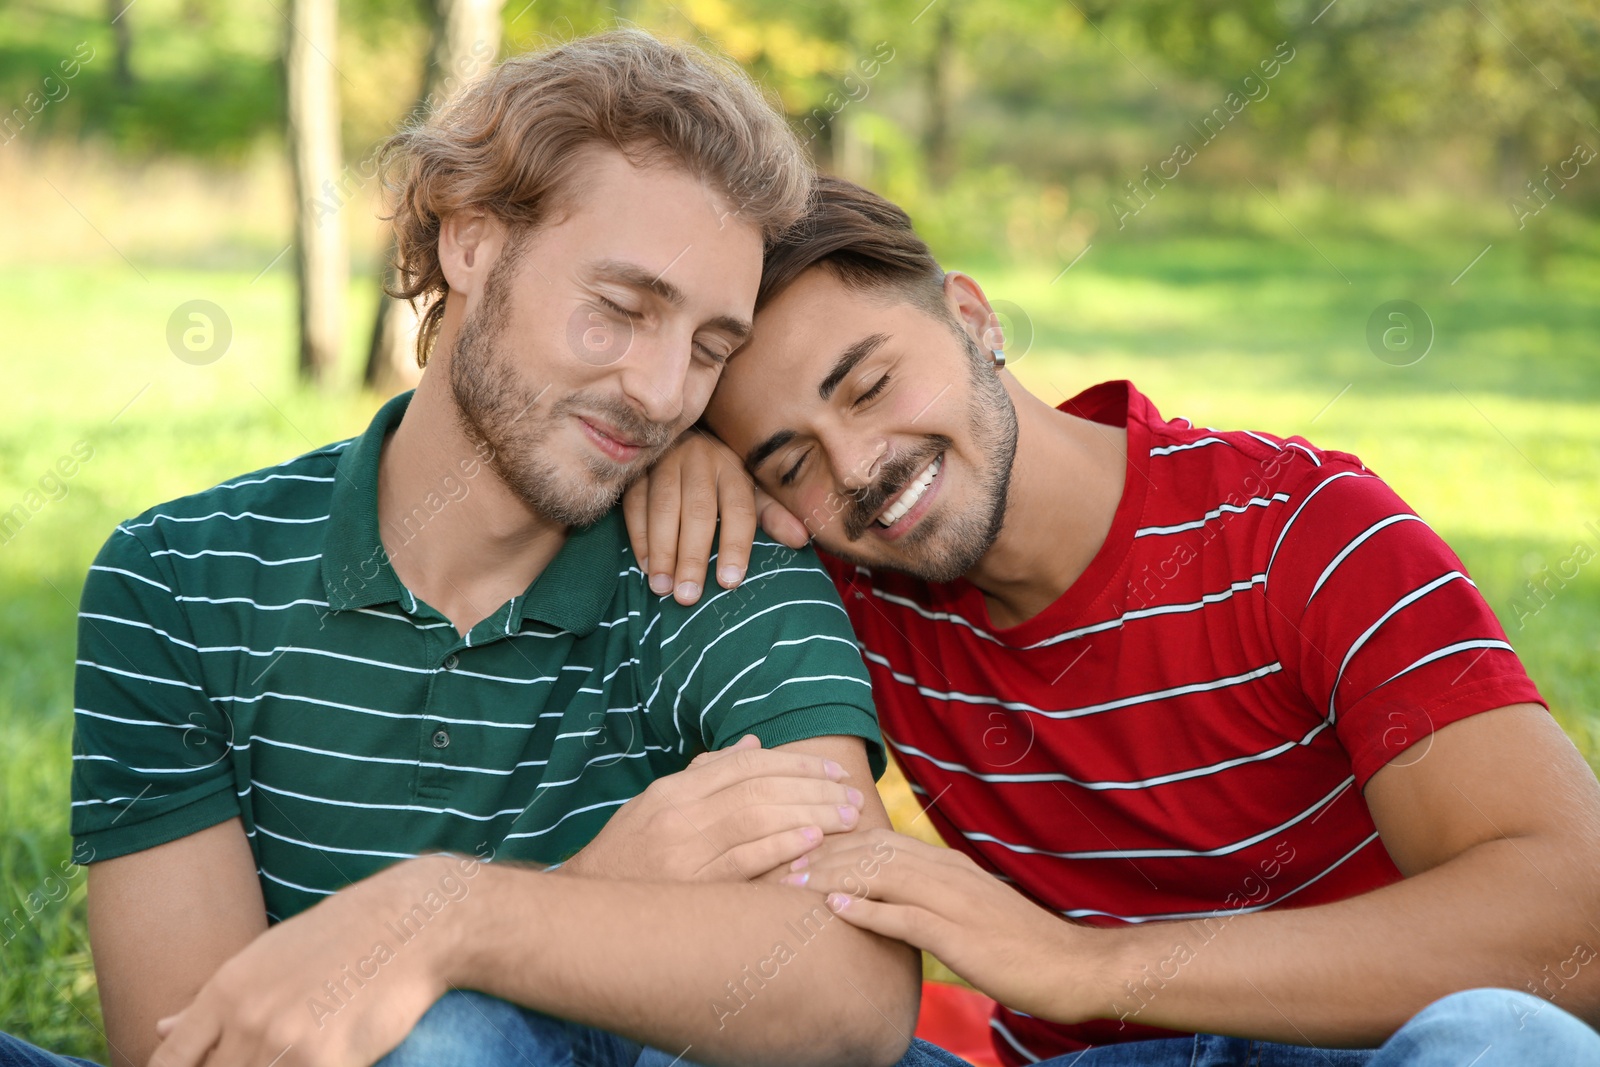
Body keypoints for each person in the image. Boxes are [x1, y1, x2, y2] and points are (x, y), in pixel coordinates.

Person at [0, 36, 950, 1067]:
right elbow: (191, 1048)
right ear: (470, 241)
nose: (661, 391)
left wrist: (453, 918)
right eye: (622, 310)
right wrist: (581, 895)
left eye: (709, 349)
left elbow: (851, 995)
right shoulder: (178, 579)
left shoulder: (729, 565)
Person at [623, 175, 1600, 1065]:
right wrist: (666, 464)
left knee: (1507, 1040)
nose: (858, 466)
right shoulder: (840, 593)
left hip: (1364, 1046)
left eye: (871, 385)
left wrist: (1088, 965)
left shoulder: (1300, 529)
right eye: (790, 460)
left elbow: (1576, 921)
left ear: (971, 315)